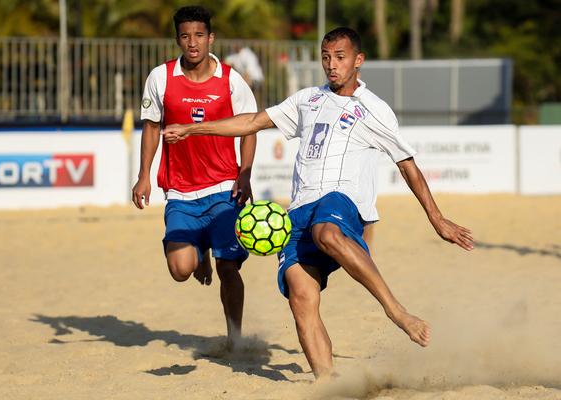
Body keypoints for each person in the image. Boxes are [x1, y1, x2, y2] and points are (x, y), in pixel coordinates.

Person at [163, 27, 474, 378]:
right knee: (301, 298)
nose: (331, 64)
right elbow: (252, 121)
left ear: (359, 61)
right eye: (326, 57)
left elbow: (408, 165)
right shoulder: (307, 99)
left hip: (340, 202)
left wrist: (437, 218)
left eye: (340, 57)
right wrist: (192, 129)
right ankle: (327, 381)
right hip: (297, 213)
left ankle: (396, 311)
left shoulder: (374, 109)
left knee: (327, 232)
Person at [131, 6, 258, 345]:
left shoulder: (231, 80)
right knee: (180, 270)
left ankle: (235, 338)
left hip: (223, 189)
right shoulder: (161, 77)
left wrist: (244, 175)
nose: (193, 42)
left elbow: (249, 128)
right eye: (185, 36)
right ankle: (198, 249)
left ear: (210, 38)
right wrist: (143, 175)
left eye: (199, 35)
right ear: (178, 39)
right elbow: (151, 127)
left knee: (228, 267)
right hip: (181, 192)